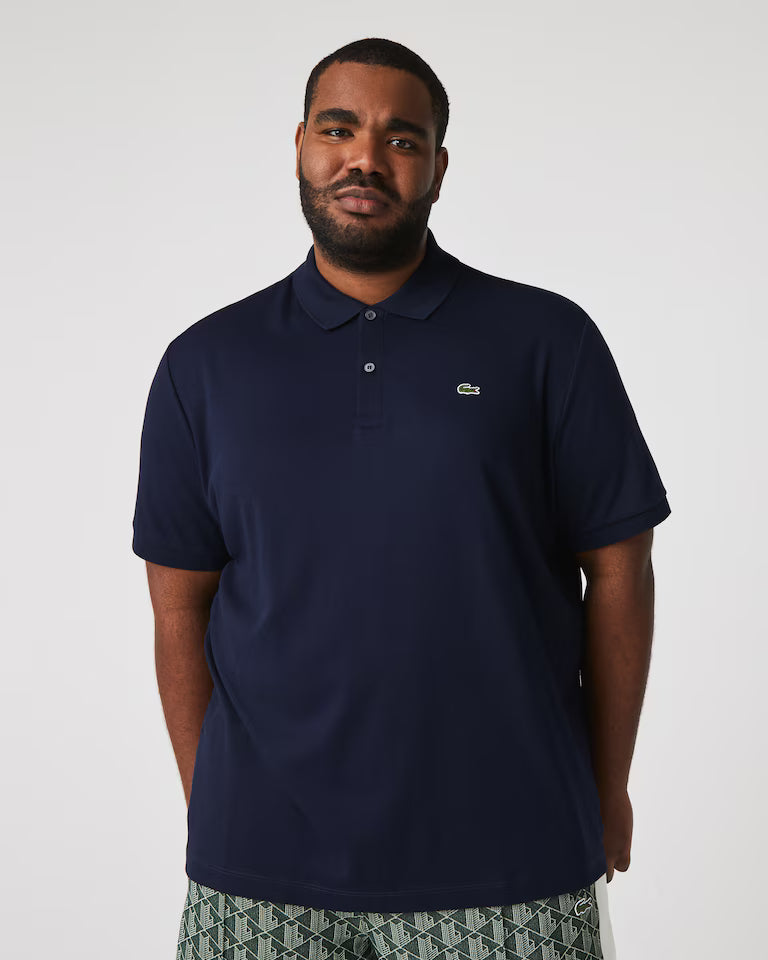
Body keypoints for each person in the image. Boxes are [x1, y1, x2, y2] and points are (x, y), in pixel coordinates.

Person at [132, 37, 670, 960]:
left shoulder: (548, 341)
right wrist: (213, 804)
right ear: (300, 144)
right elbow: (180, 605)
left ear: (439, 167)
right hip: (259, 870)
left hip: (513, 855)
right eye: (338, 130)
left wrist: (607, 785)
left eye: (402, 139)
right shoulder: (204, 364)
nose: (365, 159)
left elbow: (619, 570)